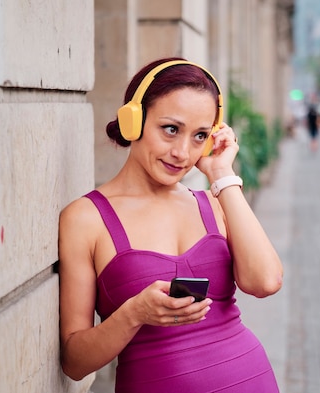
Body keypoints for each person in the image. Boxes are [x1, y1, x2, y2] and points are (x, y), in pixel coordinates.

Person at [58, 57, 283, 392]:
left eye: (199, 136)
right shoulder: (85, 218)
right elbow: (74, 363)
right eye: (171, 129)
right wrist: (134, 313)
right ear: (133, 121)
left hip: (249, 379)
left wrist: (222, 175)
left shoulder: (213, 202)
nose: (182, 152)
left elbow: (265, 282)